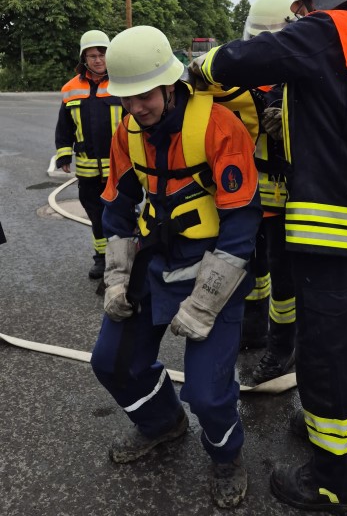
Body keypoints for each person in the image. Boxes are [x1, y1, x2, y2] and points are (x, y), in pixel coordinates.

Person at [191, 0, 347, 514]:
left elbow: (241, 60)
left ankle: (335, 482)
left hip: (330, 230)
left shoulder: (328, 30)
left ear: (318, 0)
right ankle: (329, 431)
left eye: (303, 9)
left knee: (329, 358)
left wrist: (198, 69)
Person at [90, 25, 262, 509]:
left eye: (144, 95)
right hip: (154, 262)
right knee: (111, 361)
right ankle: (162, 423)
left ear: (170, 84)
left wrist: (205, 303)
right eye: (126, 98)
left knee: (208, 393)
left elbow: (241, 226)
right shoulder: (128, 131)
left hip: (214, 268)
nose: (135, 107)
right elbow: (117, 208)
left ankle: (226, 457)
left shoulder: (218, 126)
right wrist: (117, 278)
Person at [241, 0, 297, 383]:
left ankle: (282, 348)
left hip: (288, 198)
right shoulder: (237, 80)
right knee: (252, 267)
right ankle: (252, 331)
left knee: (283, 277)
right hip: (249, 195)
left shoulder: (299, 79)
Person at [55, 30, 123, 279]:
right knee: (96, 215)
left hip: (119, 167)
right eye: (92, 56)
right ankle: (101, 259)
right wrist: (64, 155)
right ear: (84, 58)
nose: (97, 60)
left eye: (102, 54)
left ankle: (125, 259)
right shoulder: (70, 89)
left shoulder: (121, 83)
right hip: (87, 170)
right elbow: (64, 127)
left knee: (121, 213)